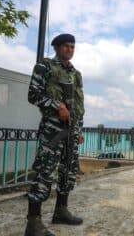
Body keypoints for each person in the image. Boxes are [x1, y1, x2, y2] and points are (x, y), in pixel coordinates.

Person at [25, 33, 85, 236]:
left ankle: (60, 211)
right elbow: (33, 95)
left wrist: (78, 129)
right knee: (44, 173)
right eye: (66, 46)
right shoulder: (45, 66)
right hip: (52, 130)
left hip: (71, 131)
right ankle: (33, 223)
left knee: (68, 172)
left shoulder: (76, 74)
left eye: (72, 46)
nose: (70, 49)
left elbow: (78, 105)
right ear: (57, 47)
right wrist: (56, 105)